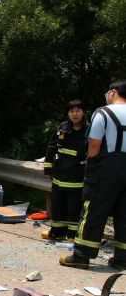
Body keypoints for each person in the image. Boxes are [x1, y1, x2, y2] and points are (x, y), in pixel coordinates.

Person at [61, 80, 126, 270]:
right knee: (124, 213)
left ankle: (82, 255)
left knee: (94, 209)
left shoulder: (103, 112)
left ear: (113, 92)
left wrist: (91, 165)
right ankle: (122, 258)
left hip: (106, 167)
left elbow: (95, 144)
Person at [43, 100, 89, 241]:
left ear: (84, 112)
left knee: (74, 209)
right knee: (57, 207)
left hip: (77, 179)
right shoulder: (62, 128)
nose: (75, 114)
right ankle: (57, 231)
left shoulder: (90, 130)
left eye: (78, 110)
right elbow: (51, 148)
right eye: (72, 111)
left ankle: (72, 235)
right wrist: (49, 169)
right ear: (68, 113)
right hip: (59, 177)